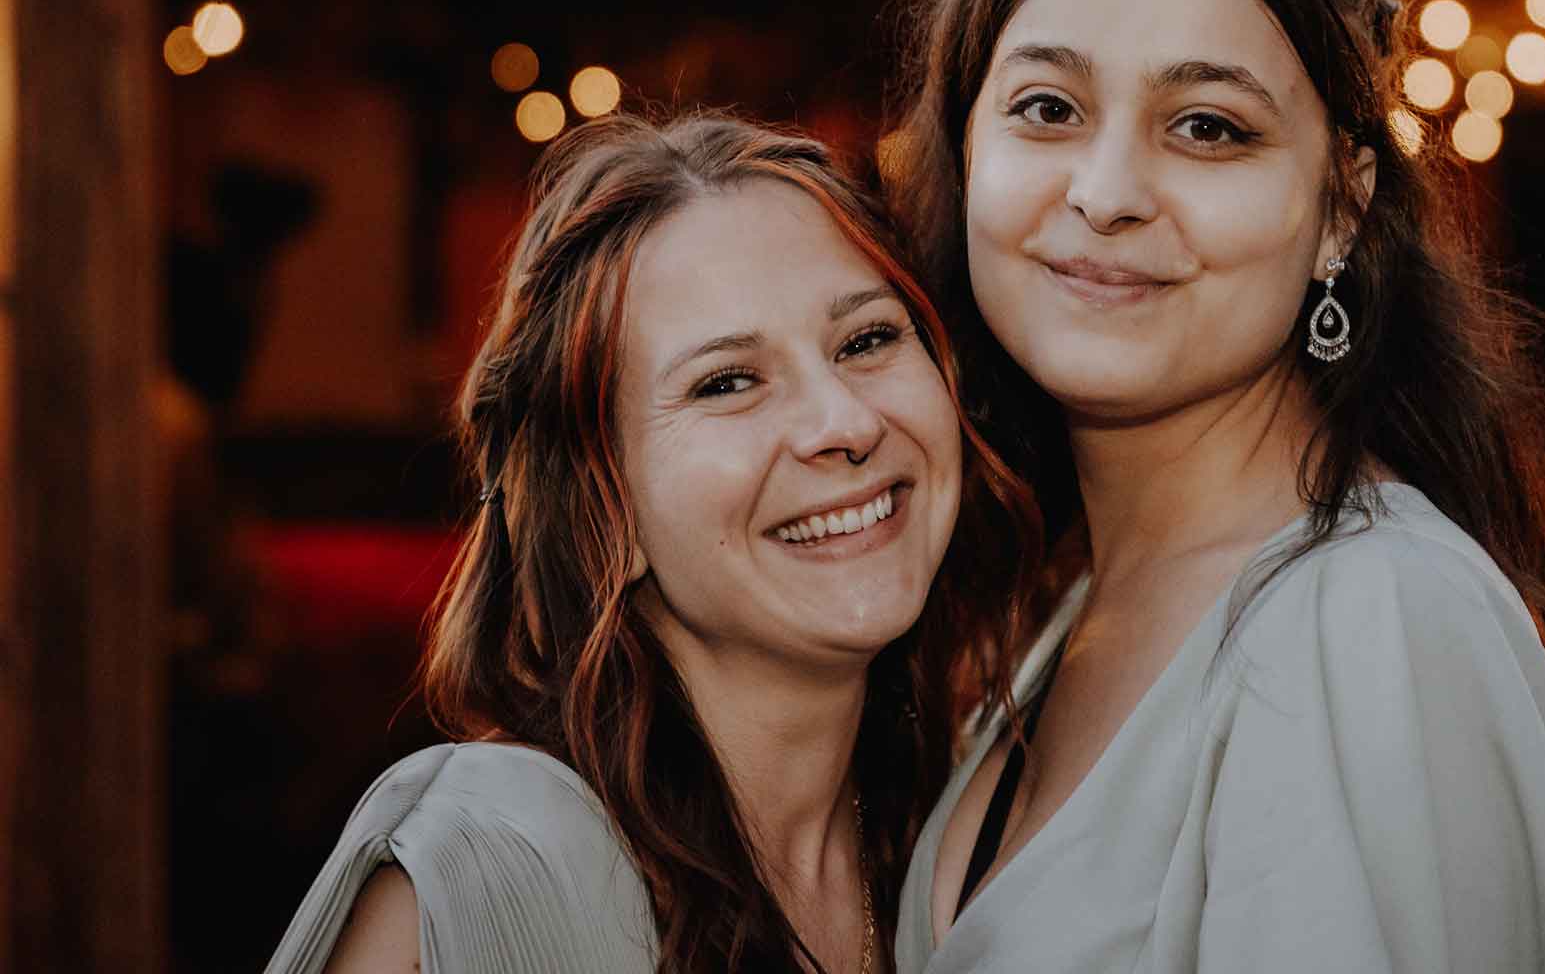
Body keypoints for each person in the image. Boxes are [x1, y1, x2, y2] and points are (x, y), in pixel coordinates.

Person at [879, 0, 1545, 972]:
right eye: (1048, 108)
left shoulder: (1362, 625)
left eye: (1207, 127)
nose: (1105, 192)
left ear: (1341, 206)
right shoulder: (1074, 613)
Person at [266, 112, 1041, 974]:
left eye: (866, 339)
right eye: (728, 382)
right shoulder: (492, 865)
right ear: (604, 514)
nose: (845, 422)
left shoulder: (949, 848)